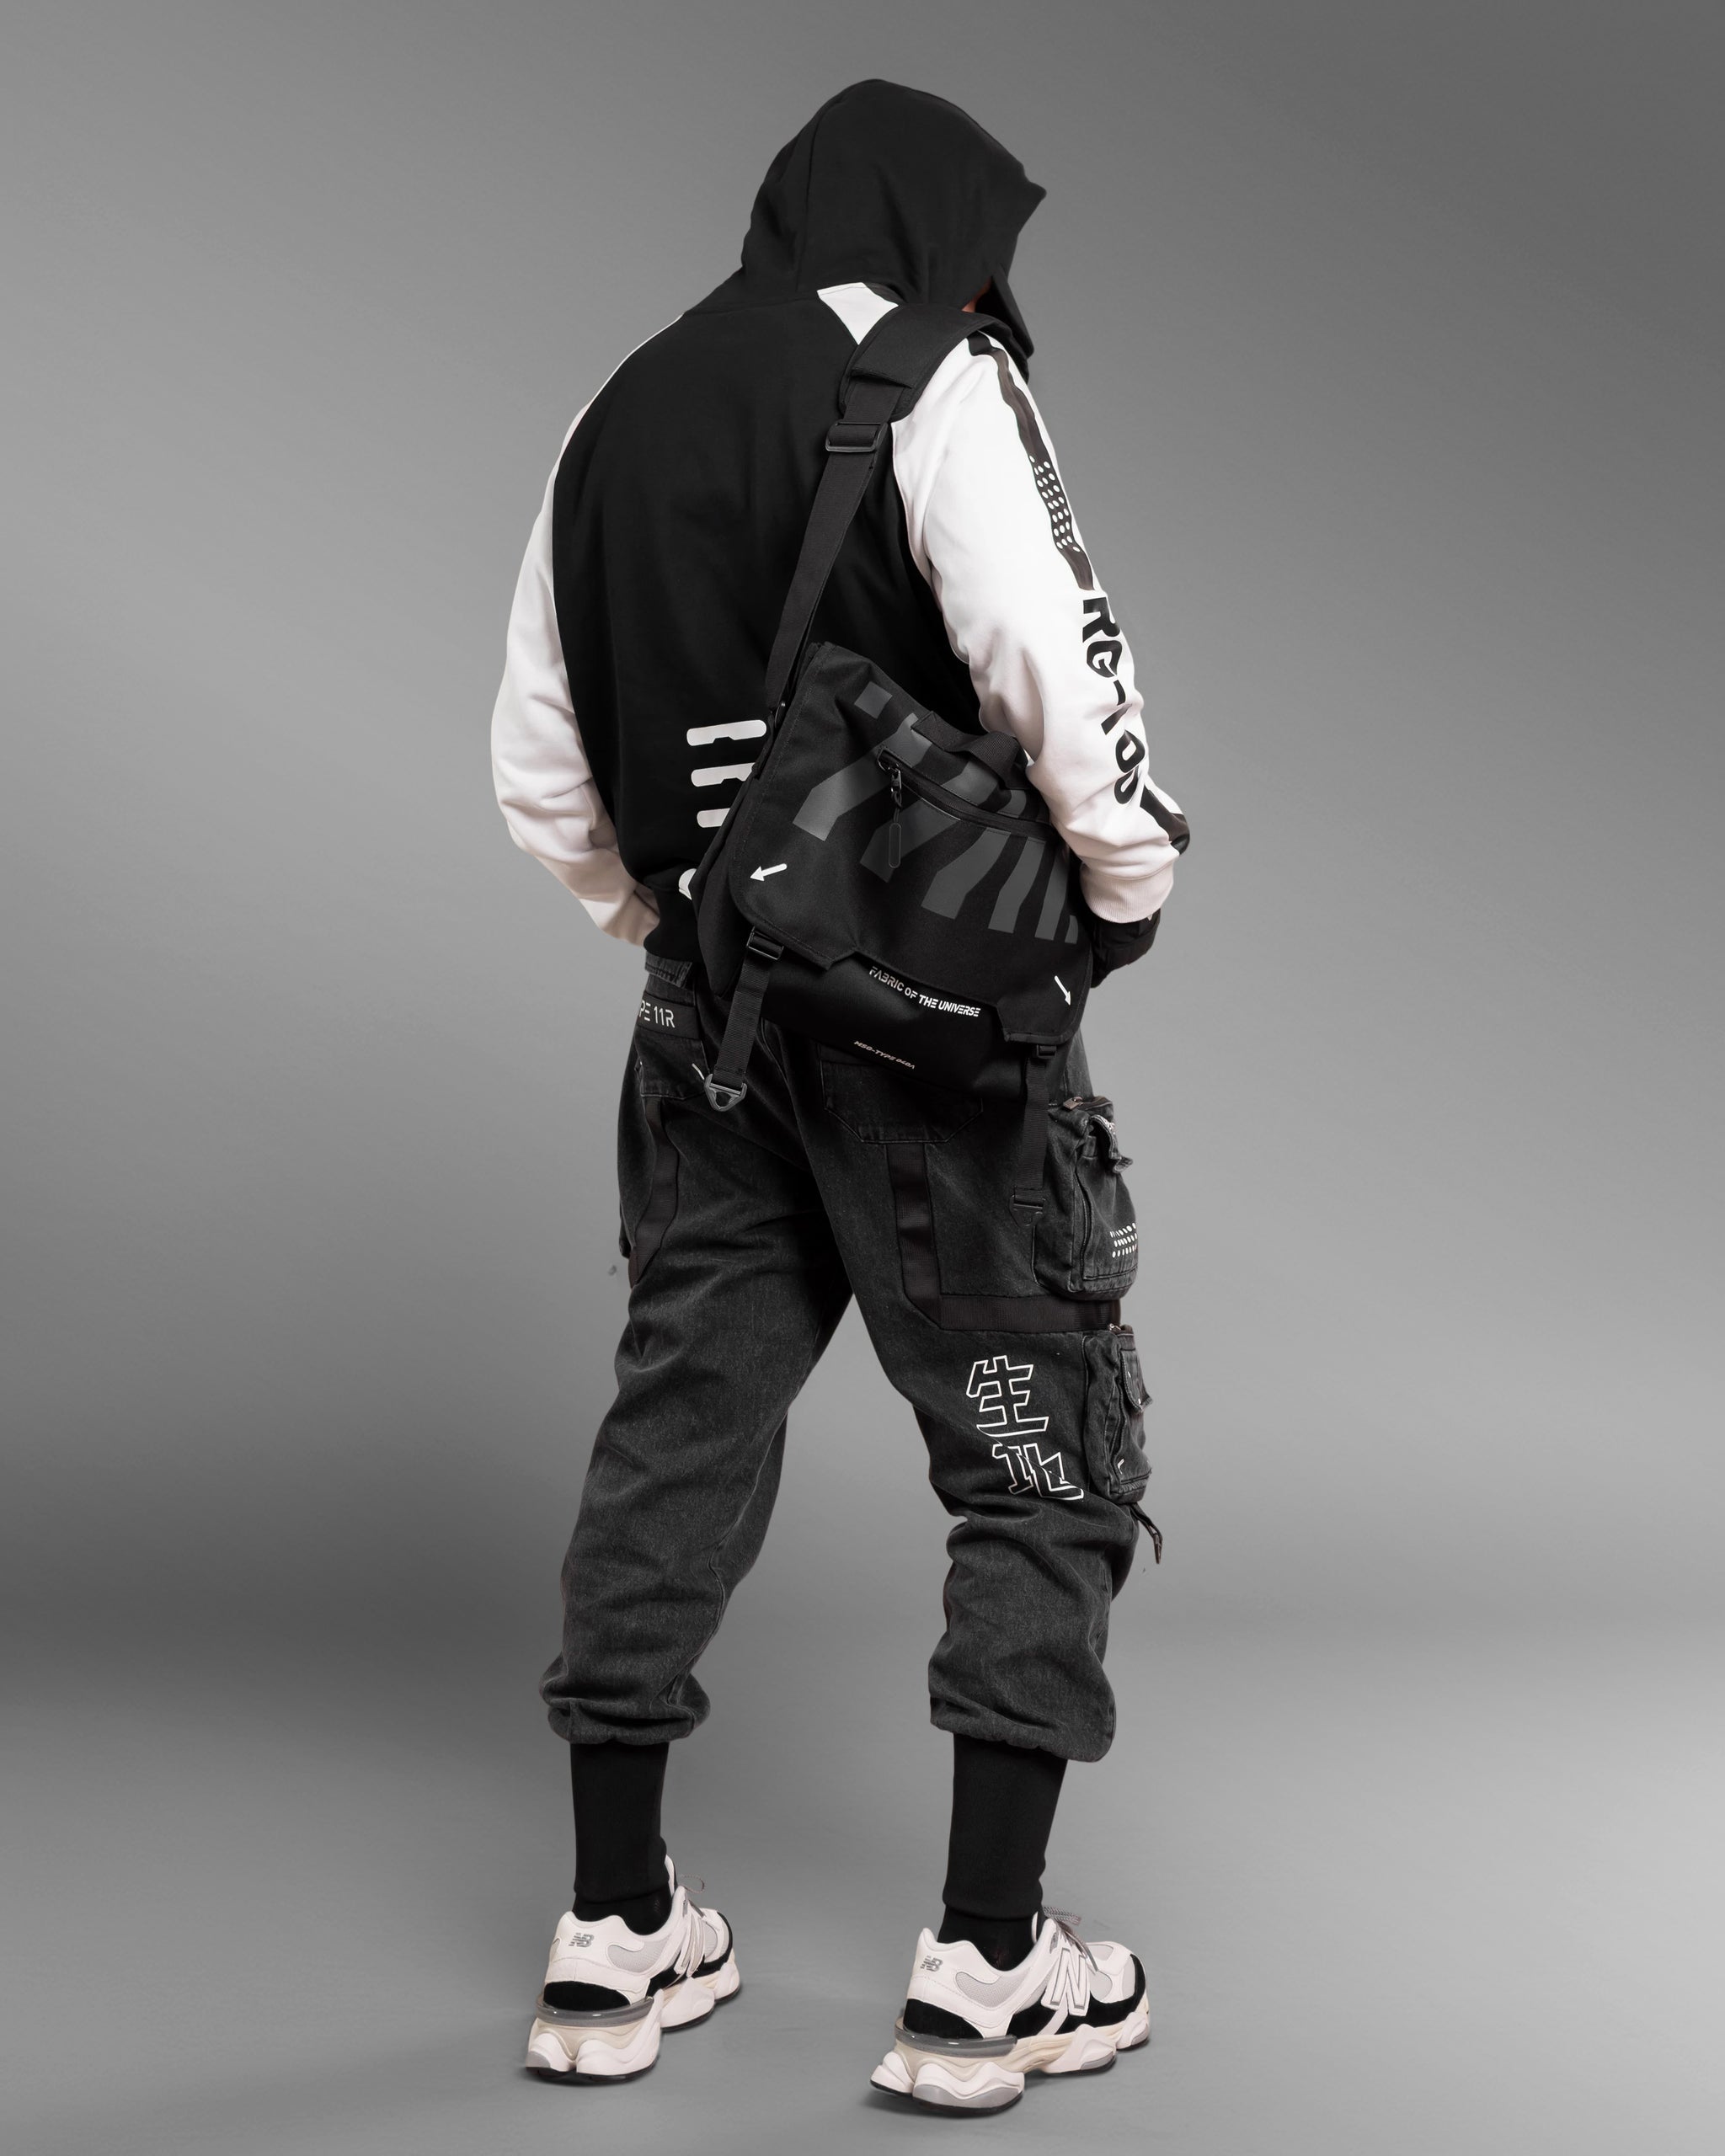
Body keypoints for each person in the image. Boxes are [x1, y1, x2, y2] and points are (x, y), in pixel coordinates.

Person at [490, 78, 1188, 2111]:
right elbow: (1064, 668)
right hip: (934, 1042)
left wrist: (694, 931)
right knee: (1033, 1447)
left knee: (678, 1422)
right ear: (941, 224)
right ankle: (988, 1963)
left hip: (709, 1027)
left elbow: (539, 770)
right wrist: (1119, 892)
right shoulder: (940, 383)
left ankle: (611, 1924)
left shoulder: (609, 411)